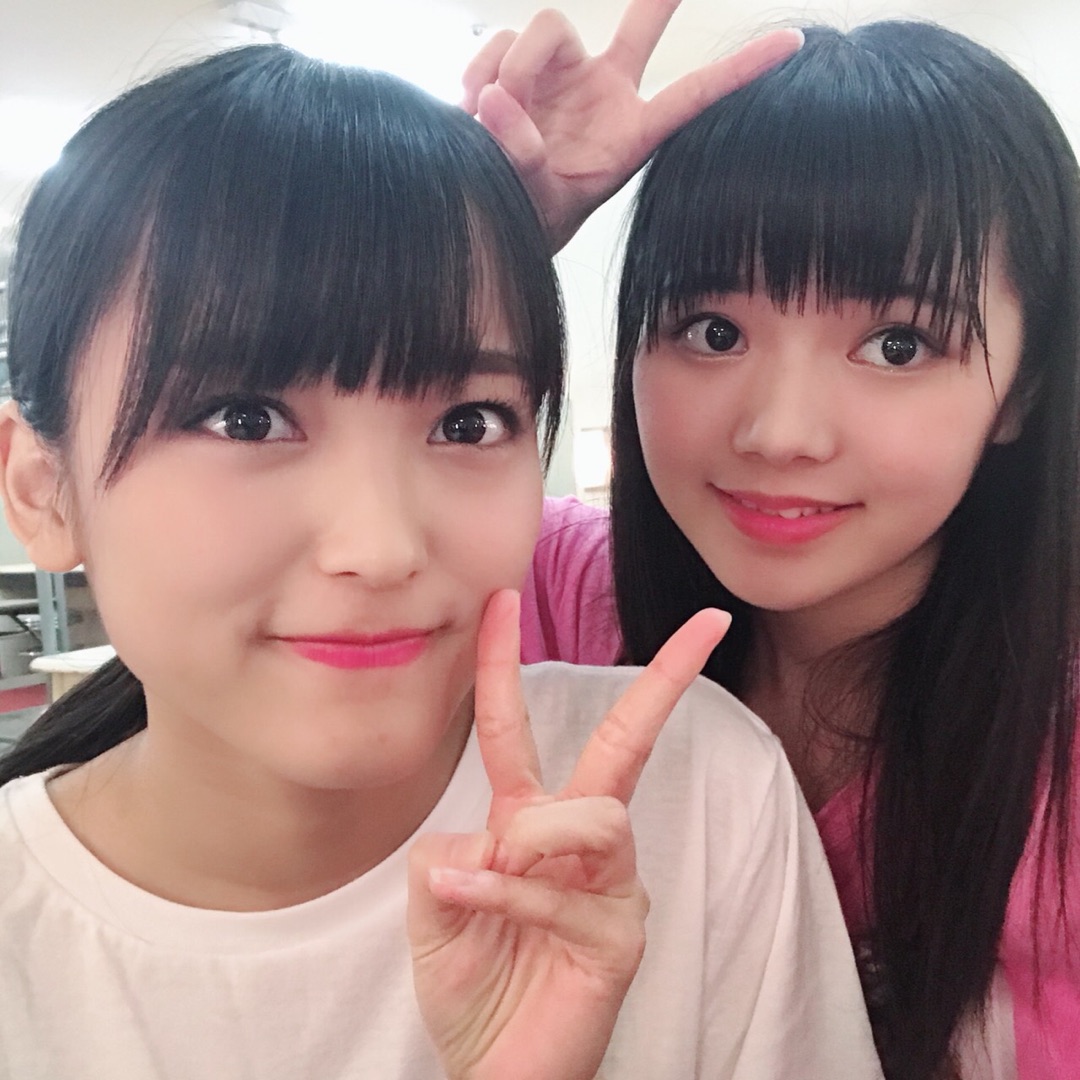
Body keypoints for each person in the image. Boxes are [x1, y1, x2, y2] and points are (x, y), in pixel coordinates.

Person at [0, 42, 881, 1080]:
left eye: (468, 423)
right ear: (41, 490)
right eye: (246, 418)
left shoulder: (687, 795)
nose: (380, 548)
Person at [473, 11, 1080, 1080]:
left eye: (897, 344)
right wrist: (480, 247)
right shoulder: (561, 592)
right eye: (712, 331)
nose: (779, 433)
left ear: (1023, 388)